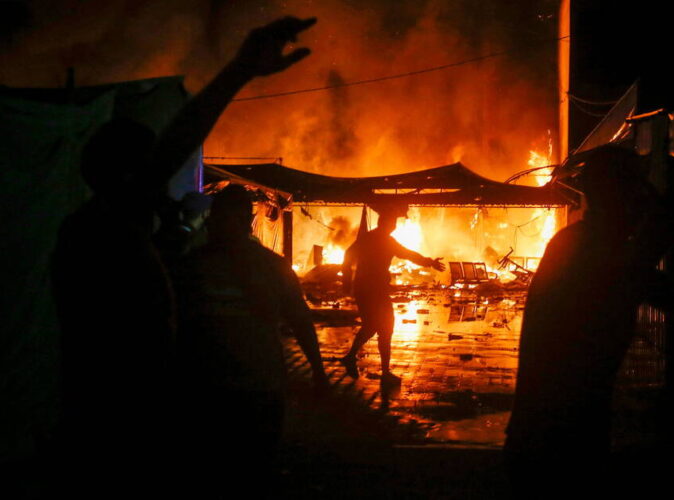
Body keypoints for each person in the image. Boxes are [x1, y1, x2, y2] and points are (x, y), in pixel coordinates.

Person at [50, 16, 317, 497]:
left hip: (120, 415)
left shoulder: (100, 235)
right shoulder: (105, 229)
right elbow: (173, 149)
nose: (165, 183)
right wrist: (237, 72)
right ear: (125, 178)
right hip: (120, 427)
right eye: (150, 172)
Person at [504, 146, 674, 489]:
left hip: (548, 438)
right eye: (637, 187)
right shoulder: (594, 252)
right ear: (618, 195)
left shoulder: (576, 243)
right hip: (557, 450)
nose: (643, 197)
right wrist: (666, 216)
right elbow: (661, 284)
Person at [172, 185, 327, 497]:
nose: (218, 224)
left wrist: (319, 372)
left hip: (245, 387)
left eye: (224, 217)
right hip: (220, 387)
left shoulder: (265, 266)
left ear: (242, 222)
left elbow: (299, 319)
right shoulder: (192, 265)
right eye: (217, 217)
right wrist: (319, 372)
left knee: (243, 470)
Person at [340, 203, 445, 386]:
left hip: (364, 288)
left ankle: (351, 357)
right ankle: (385, 372)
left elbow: (348, 255)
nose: (395, 226)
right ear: (387, 224)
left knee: (372, 326)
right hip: (375, 289)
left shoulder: (367, 238)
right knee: (385, 327)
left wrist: (347, 280)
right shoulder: (385, 240)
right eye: (393, 222)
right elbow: (408, 254)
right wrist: (429, 263)